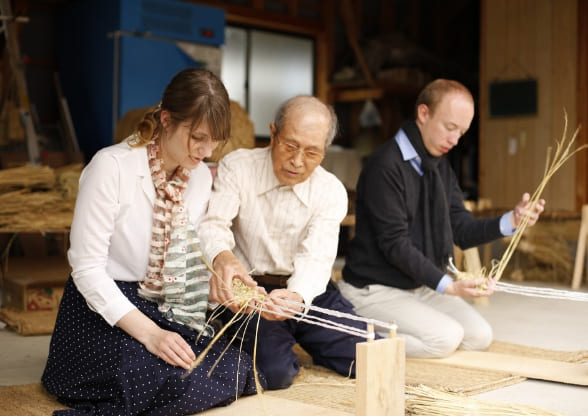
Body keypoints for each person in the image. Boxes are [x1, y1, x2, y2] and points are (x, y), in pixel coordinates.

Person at [42, 68, 262, 415]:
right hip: (104, 307)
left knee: (235, 365)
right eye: (198, 137)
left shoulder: (200, 176)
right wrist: (151, 335)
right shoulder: (111, 166)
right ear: (166, 120)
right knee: (159, 374)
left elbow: (186, 255)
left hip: (159, 302)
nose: (206, 151)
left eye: (215, 140)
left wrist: (222, 282)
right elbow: (86, 269)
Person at [337, 79, 545, 359]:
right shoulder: (384, 166)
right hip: (374, 289)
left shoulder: (438, 165)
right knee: (445, 339)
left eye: (462, 132)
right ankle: (351, 334)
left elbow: (461, 228)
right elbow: (394, 244)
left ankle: (400, 331)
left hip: (417, 285)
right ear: (423, 114)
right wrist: (448, 285)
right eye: (450, 128)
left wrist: (512, 220)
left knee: (479, 336)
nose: (455, 140)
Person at [198, 95, 367, 390]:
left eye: (312, 152)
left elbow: (317, 258)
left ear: (325, 151)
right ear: (273, 134)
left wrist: (298, 296)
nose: (297, 161)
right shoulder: (238, 167)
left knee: (368, 356)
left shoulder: (330, 191)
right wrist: (223, 257)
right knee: (276, 373)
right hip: (253, 292)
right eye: (290, 146)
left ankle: (303, 336)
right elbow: (214, 224)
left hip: (307, 290)